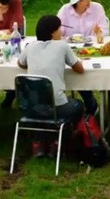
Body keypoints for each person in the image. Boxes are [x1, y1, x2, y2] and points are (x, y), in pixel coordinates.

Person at [17, 14, 85, 159]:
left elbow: (21, 63)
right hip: (57, 105)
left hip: (32, 105)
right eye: (60, 29)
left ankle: (40, 142)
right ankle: (60, 138)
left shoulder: (30, 46)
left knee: (42, 109)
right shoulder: (62, 46)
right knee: (78, 105)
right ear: (53, 32)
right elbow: (79, 69)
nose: (61, 32)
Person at [56, 0, 107, 114]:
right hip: (70, 50)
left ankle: (90, 101)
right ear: (76, 1)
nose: (89, 0)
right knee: (73, 68)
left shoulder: (97, 8)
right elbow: (57, 33)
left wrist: (98, 32)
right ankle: (89, 100)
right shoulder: (65, 11)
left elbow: (105, 30)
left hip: (92, 50)